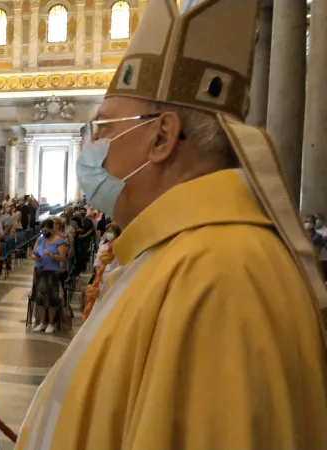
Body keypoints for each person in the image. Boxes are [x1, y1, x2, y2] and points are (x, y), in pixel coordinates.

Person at [17, 1, 327, 447]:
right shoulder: (174, 251)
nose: (93, 146)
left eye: (103, 128)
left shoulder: (223, 275)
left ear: (162, 136)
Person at [30, 219, 69, 333]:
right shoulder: (40, 240)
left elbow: (62, 257)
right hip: (39, 270)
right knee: (40, 298)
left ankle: (51, 323)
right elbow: (33, 253)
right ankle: (42, 322)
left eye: (47, 230)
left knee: (51, 298)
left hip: (51, 272)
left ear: (52, 229)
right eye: (43, 230)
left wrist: (51, 255)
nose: (44, 232)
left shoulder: (60, 242)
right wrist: (35, 257)